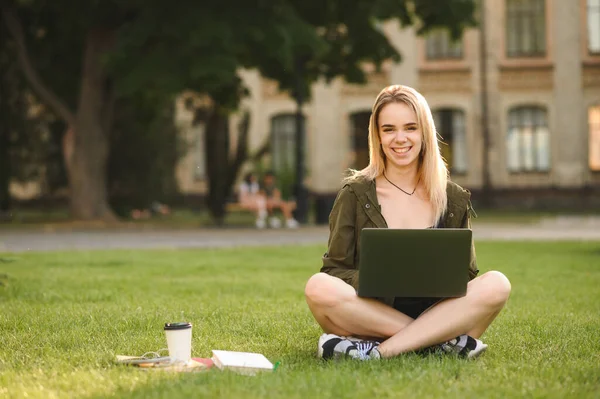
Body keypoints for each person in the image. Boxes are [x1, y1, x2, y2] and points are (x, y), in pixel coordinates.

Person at [304, 85, 511, 361]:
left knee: (498, 284)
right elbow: (334, 271)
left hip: (438, 312)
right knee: (318, 286)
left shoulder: (453, 198)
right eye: (389, 129)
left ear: (424, 132)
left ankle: (377, 352)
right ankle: (438, 343)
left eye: (410, 128)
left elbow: (467, 279)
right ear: (377, 136)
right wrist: (377, 280)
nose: (400, 139)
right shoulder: (354, 193)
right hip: (372, 316)